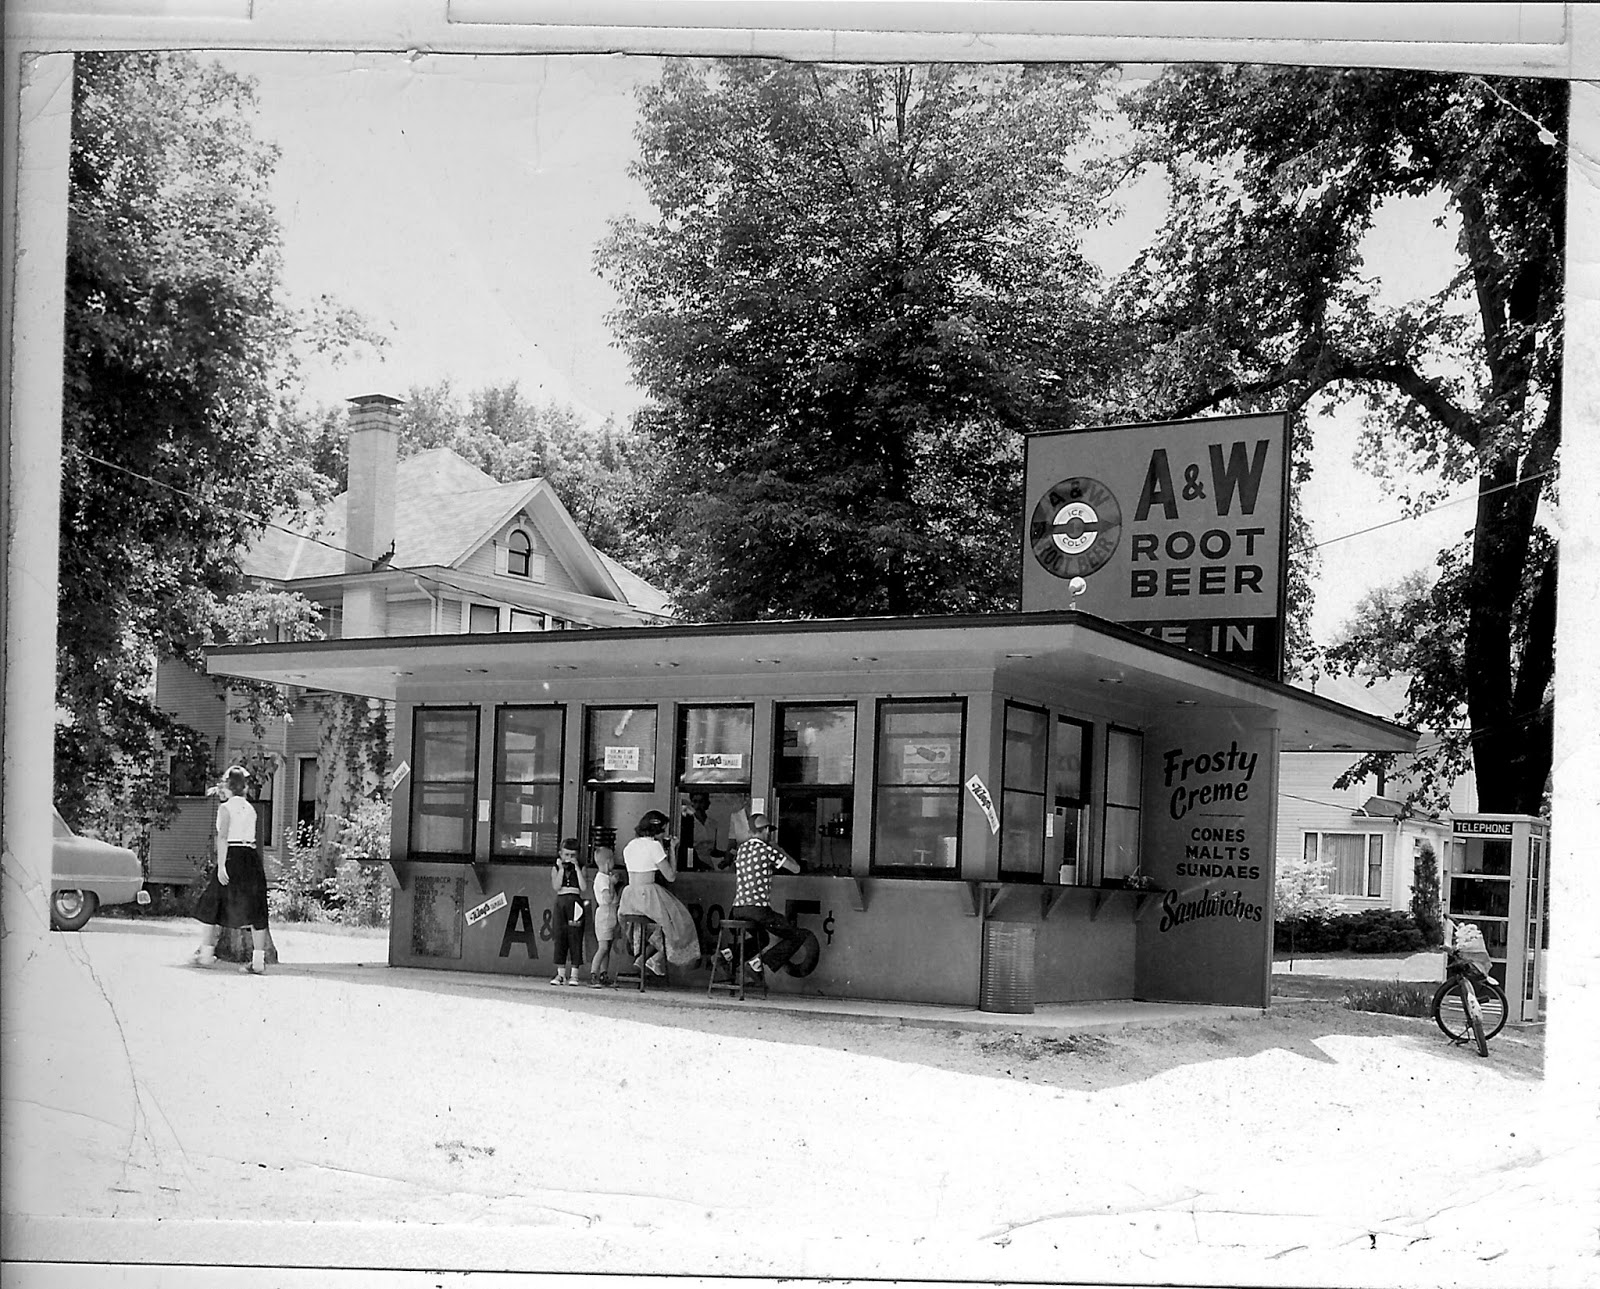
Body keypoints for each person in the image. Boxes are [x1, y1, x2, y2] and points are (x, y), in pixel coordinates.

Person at [191, 765, 271, 974]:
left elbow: (224, 837)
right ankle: (258, 961)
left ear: (229, 786)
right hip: (251, 856)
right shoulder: (250, 809)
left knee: (213, 901)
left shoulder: (226, 808)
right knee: (256, 906)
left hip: (233, 855)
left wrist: (222, 865)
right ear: (243, 787)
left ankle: (206, 954)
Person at [618, 810, 702, 975]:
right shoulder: (654, 846)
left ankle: (646, 960)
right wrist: (671, 849)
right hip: (648, 894)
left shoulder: (630, 845)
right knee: (678, 922)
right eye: (663, 830)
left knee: (656, 927)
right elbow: (670, 876)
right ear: (656, 830)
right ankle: (654, 959)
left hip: (629, 896)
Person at [726, 813, 806, 977]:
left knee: (762, 939)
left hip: (737, 909)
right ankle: (758, 964)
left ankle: (726, 955)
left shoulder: (742, 850)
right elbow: (796, 869)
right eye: (768, 830)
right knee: (796, 935)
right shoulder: (768, 850)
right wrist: (781, 850)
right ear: (765, 830)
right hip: (758, 910)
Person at [548, 837, 588, 985]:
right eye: (566, 855)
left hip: (575, 900)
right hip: (561, 900)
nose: (569, 858)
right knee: (560, 935)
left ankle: (575, 974)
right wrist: (562, 869)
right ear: (560, 854)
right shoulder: (557, 867)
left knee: (575, 936)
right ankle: (560, 973)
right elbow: (556, 886)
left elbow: (583, 887)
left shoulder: (581, 867)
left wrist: (577, 868)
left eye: (572, 855)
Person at [587, 845, 621, 988]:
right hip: (605, 914)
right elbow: (607, 898)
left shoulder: (606, 877)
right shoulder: (602, 879)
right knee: (603, 947)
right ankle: (594, 973)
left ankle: (603, 973)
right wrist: (613, 885)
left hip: (611, 913)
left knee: (608, 947)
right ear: (608, 862)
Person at [679, 791, 730, 870]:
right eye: (695, 802)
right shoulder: (688, 823)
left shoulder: (713, 824)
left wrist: (727, 855)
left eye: (701, 801)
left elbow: (715, 850)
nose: (698, 805)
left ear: (707, 804)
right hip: (692, 861)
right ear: (692, 804)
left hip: (709, 862)